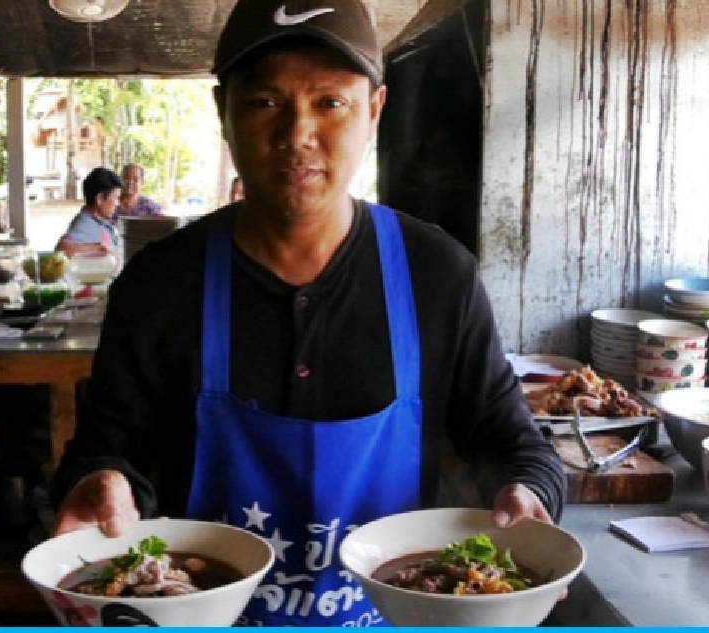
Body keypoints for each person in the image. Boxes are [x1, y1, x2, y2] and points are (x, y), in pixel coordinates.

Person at [50, 0, 566, 626]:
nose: (298, 134)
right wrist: (98, 484)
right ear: (224, 114)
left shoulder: (438, 275)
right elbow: (104, 453)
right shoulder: (161, 283)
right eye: (266, 102)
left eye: (330, 102)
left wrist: (529, 497)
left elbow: (515, 444)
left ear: (374, 110)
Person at [58, 167, 123, 258]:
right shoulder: (84, 224)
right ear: (99, 199)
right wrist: (99, 248)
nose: (118, 204)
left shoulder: (100, 220)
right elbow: (61, 250)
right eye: (116, 198)